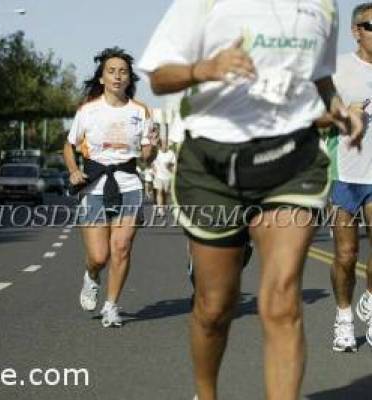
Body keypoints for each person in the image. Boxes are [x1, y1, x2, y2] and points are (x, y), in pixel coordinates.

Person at [138, 1, 363, 399]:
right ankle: (206, 393)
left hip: (293, 160)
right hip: (213, 165)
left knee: (281, 302)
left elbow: (320, 78)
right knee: (214, 308)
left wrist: (339, 110)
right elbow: (159, 76)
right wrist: (202, 70)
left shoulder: (323, 5)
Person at [63, 47, 157, 328]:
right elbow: (69, 146)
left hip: (128, 184)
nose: (117, 76)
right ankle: (91, 277)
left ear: (129, 79)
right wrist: (74, 170)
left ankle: (111, 305)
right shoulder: (88, 110)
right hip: (94, 185)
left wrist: (150, 149)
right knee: (99, 256)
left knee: (122, 246)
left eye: (123, 72)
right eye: (111, 71)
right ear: (102, 78)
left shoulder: (141, 112)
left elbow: (147, 153)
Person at [328, 2, 372, 353]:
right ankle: (344, 318)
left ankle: (370, 303)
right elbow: (315, 117)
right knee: (346, 254)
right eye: (371, 26)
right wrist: (345, 114)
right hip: (345, 173)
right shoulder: (339, 68)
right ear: (356, 31)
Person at [152, 137, 176, 216]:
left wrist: (170, 166)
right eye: (163, 144)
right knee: (159, 191)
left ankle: (164, 205)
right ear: (160, 145)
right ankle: (160, 209)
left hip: (168, 176)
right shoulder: (157, 153)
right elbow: (152, 162)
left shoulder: (171, 153)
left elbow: (174, 164)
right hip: (158, 175)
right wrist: (154, 169)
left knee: (165, 193)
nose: (165, 146)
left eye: (166, 144)